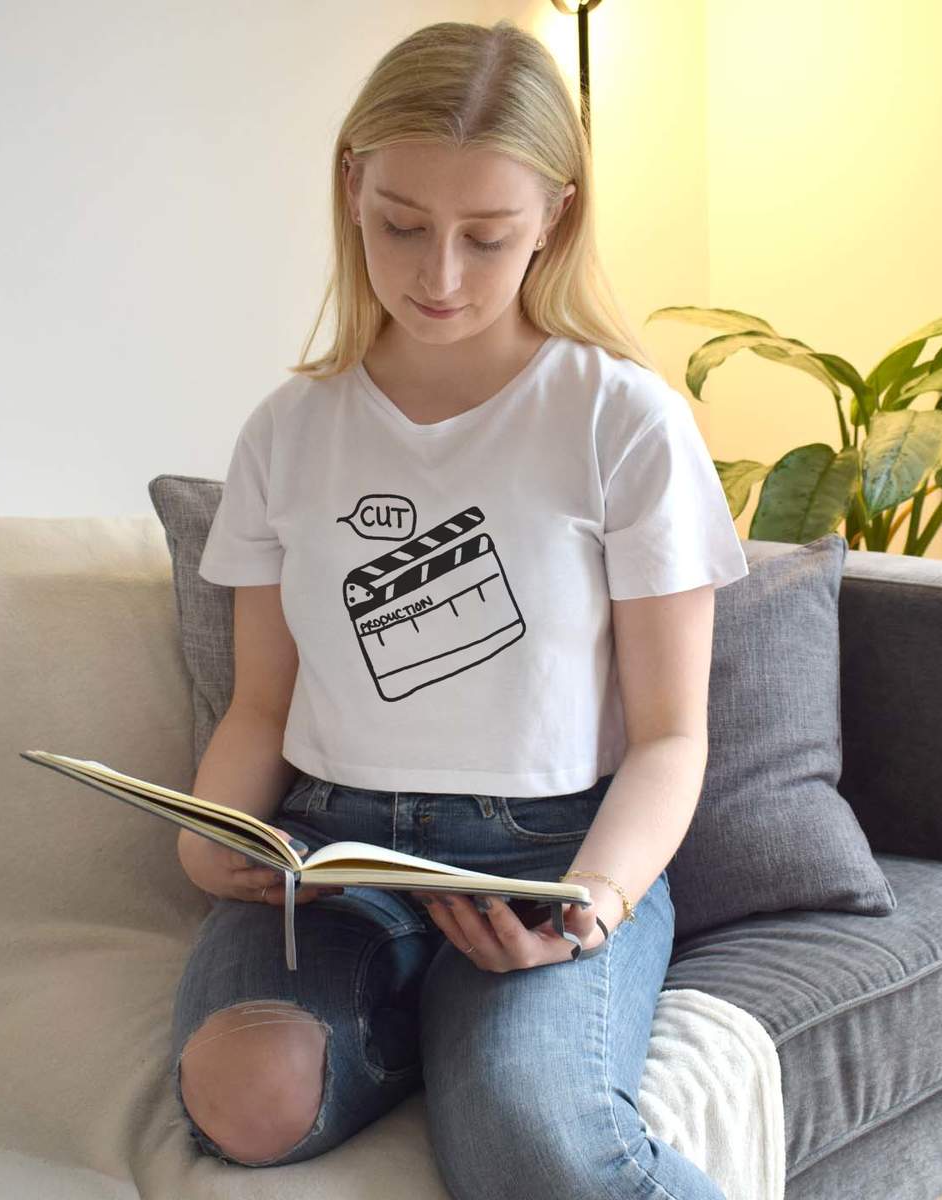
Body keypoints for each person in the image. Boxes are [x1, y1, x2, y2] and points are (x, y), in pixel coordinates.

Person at [169, 18, 748, 1200]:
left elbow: (671, 737)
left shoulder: (622, 420)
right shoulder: (288, 432)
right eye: (402, 225)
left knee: (532, 1146)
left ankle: (479, 1041)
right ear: (352, 188)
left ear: (556, 218)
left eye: (486, 238)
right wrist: (207, 833)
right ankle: (419, 1032)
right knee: (243, 1100)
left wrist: (594, 906)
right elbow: (263, 705)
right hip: (333, 859)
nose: (438, 276)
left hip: (549, 865)